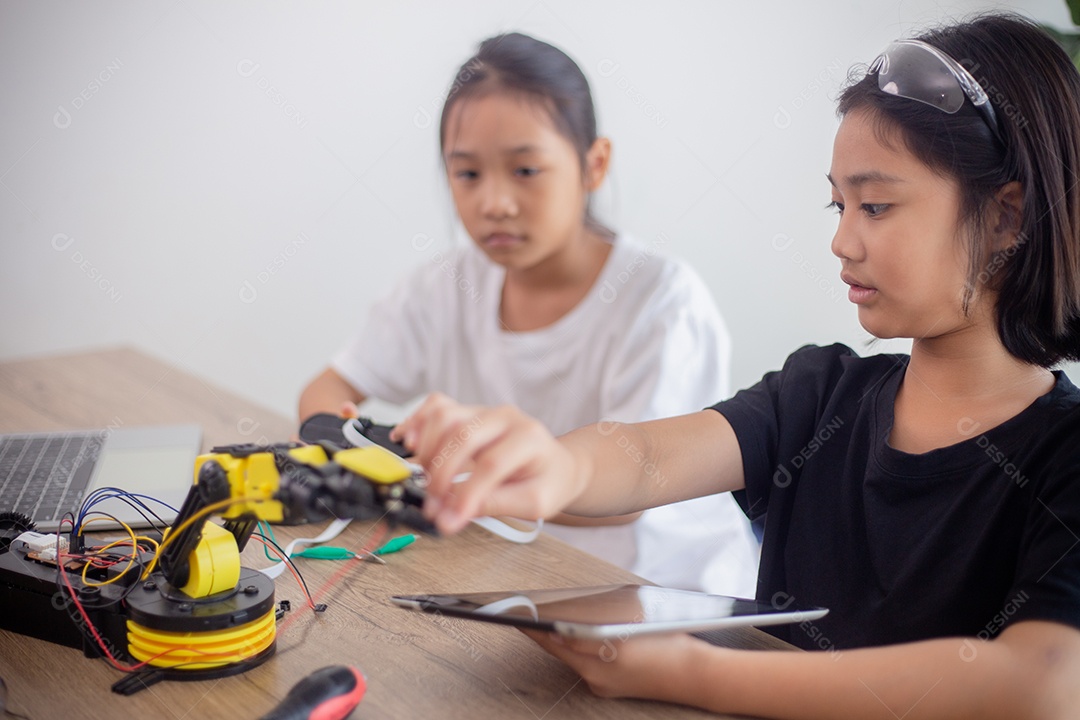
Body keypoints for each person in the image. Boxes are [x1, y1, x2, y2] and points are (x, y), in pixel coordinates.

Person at [391, 14, 1080, 718]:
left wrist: (689, 674)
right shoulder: (823, 393)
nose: (842, 240)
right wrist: (552, 467)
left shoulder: (1066, 455)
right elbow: (646, 456)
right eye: (838, 204)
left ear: (1006, 218)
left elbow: (1041, 685)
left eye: (875, 205)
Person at [299, 32, 759, 595]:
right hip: (515, 578)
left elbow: (626, 499)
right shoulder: (444, 285)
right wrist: (360, 448)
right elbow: (325, 393)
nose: (493, 202)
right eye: (467, 174)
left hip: (660, 594)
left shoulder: (662, 302)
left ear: (594, 165)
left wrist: (444, 471)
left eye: (524, 171)